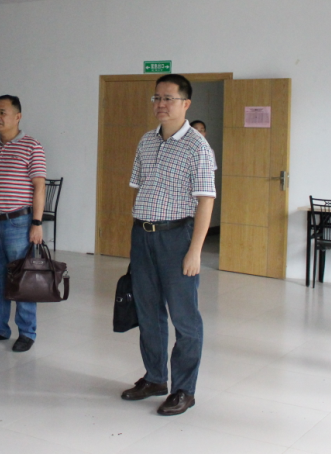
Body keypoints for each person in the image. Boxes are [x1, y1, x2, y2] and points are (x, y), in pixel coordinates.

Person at [121, 74, 216, 416]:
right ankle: (155, 378)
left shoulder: (197, 147)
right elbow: (139, 188)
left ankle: (184, 390)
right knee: (148, 311)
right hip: (143, 236)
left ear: (185, 104)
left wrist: (195, 250)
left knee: (184, 318)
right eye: (157, 98)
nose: (161, 104)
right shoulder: (147, 141)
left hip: (178, 238)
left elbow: (205, 201)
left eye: (168, 99)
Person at [0, 95, 46, 353]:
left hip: (20, 223)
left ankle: (27, 332)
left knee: (23, 280)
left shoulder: (32, 146)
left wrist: (37, 223)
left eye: (2, 112)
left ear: (18, 116)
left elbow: (39, 187)